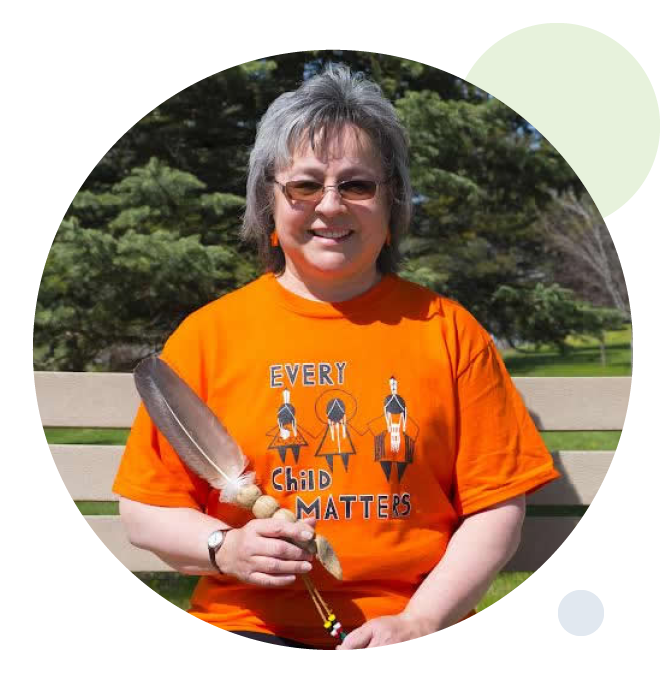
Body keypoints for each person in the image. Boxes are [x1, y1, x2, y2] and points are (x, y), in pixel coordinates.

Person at [113, 64, 560, 650]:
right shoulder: (209, 334)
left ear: (391, 201)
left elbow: (496, 506)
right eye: (303, 185)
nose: (330, 206)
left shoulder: (449, 331)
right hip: (245, 631)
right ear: (267, 202)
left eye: (357, 184)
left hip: (411, 627)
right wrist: (226, 549)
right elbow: (146, 509)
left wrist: (422, 621)